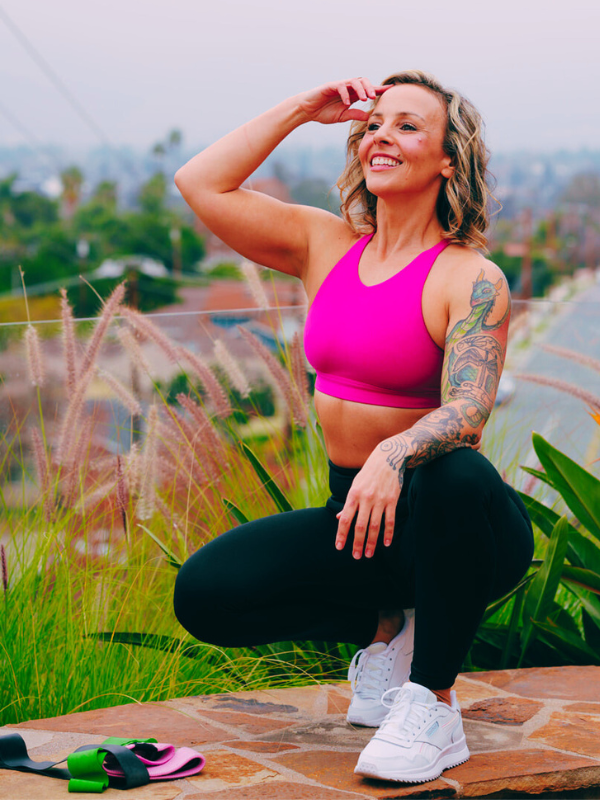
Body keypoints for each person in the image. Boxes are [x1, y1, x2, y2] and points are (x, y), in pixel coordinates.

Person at [173, 72, 534, 785]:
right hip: (359, 523)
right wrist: (303, 109)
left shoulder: (469, 275)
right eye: (375, 124)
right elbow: (199, 184)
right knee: (208, 595)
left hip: (459, 529)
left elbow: (469, 409)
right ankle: (389, 632)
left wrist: (396, 452)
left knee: (455, 469)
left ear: (448, 161)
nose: (381, 137)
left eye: (408, 126)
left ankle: (431, 704)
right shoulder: (324, 244)